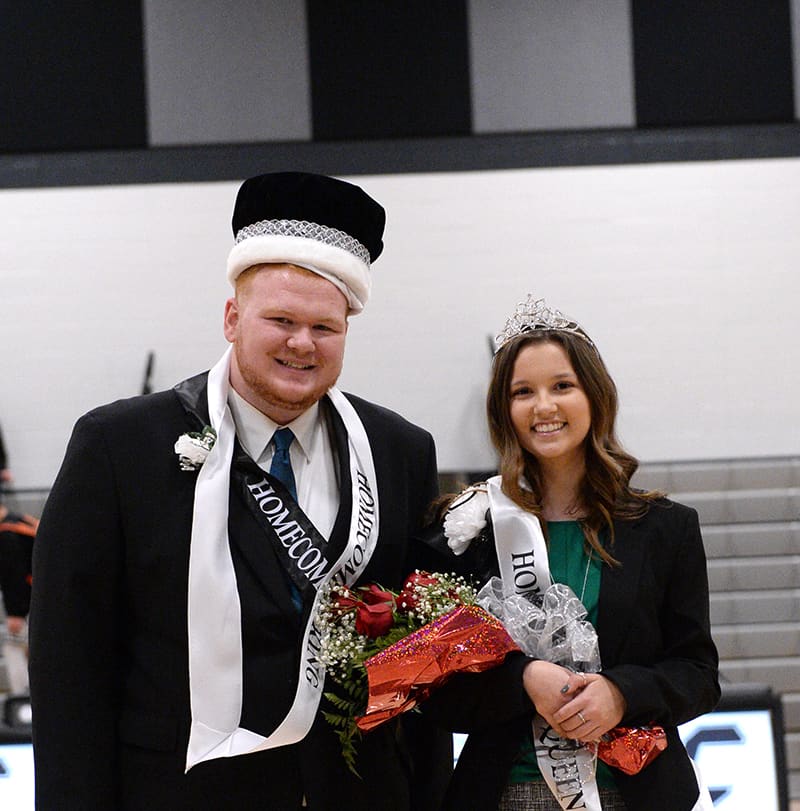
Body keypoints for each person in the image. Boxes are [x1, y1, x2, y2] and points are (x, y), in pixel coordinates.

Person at [29, 172, 451, 810]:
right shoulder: (119, 447)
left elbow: (424, 655)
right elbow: (70, 666)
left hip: (358, 791)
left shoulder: (399, 450)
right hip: (182, 790)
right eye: (280, 319)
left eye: (324, 327)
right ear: (232, 318)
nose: (301, 343)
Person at [420, 296, 719, 810]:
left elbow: (696, 674)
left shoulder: (666, 527)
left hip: (633, 790)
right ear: (504, 409)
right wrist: (523, 681)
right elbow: (437, 689)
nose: (544, 407)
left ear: (594, 395)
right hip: (501, 794)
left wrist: (622, 693)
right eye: (522, 392)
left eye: (562, 386)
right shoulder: (469, 530)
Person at [0, 496, 37, 694]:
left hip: (30, 602)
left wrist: (15, 613)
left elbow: (14, 577)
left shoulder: (7, 535)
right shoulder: (21, 521)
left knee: (13, 647)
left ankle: (21, 697)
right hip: (44, 596)